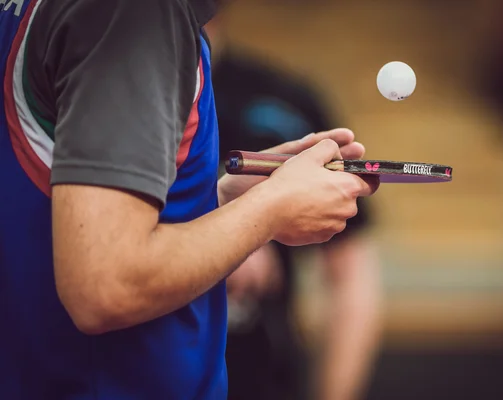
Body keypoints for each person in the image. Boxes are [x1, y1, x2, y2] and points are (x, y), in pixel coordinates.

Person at [0, 1, 378, 399]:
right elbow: (106, 286)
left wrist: (223, 201)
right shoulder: (137, 14)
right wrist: (268, 209)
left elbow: (73, 216)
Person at [205, 19, 382, 400]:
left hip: (262, 375)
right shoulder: (115, 95)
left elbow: (352, 277)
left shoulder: (285, 96)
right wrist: (242, 229)